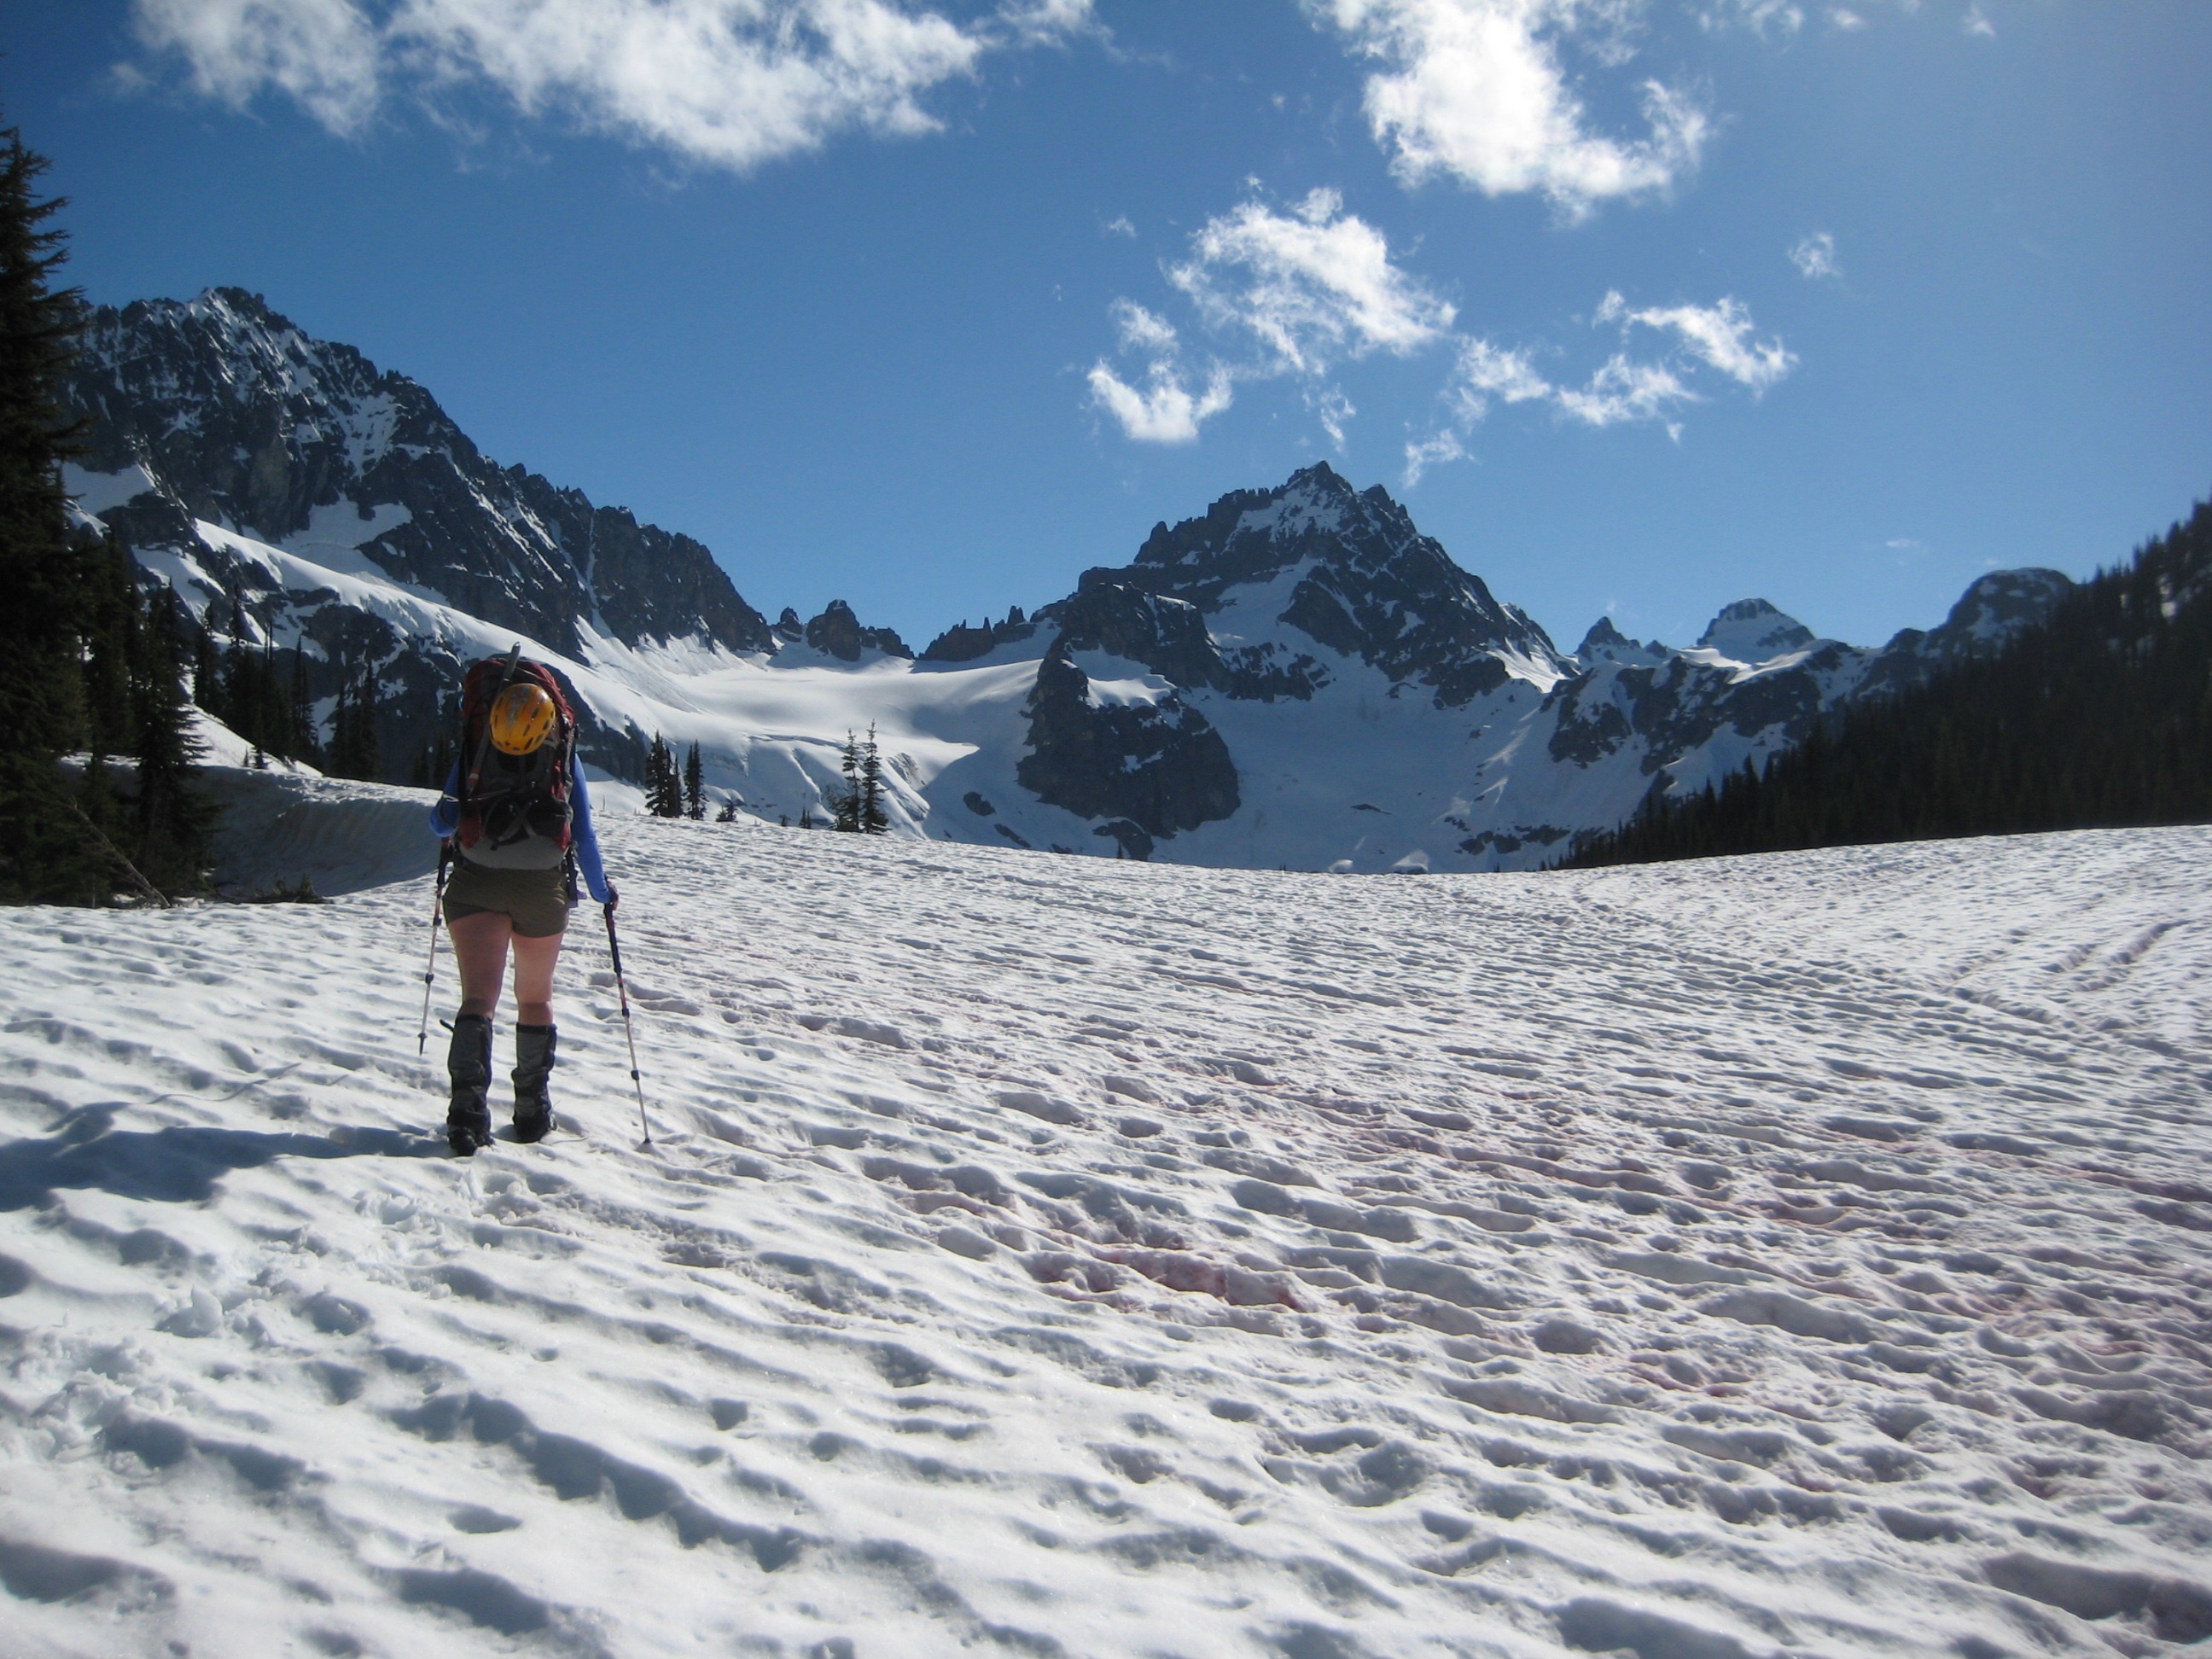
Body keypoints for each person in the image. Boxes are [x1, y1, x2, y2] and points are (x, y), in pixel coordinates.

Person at [427, 656, 615, 1155]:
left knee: (478, 1001)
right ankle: (532, 1112)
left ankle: (466, 1116)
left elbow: (440, 824)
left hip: (475, 885)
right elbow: (584, 837)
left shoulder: (476, 747)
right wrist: (601, 892)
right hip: (542, 890)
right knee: (535, 998)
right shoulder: (563, 754)